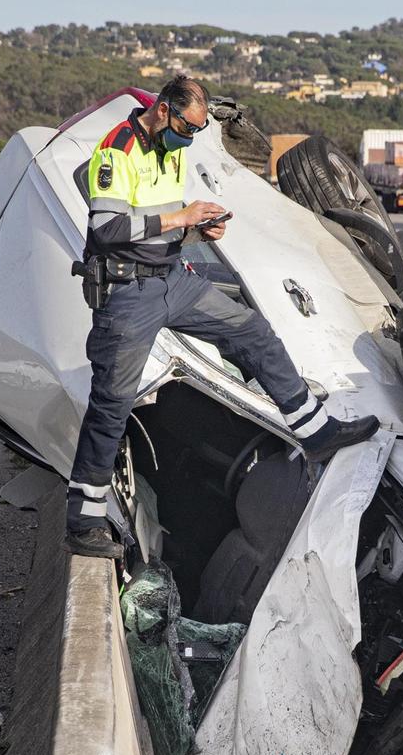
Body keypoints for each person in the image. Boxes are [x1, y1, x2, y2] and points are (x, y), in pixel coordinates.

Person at [65, 76, 380, 559]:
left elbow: (160, 222)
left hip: (171, 278)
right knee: (112, 403)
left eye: (196, 132)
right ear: (164, 109)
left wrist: (197, 233)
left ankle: (314, 430)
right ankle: (82, 520)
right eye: (186, 127)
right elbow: (107, 230)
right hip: (128, 292)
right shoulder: (118, 150)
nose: (190, 138)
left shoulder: (172, 151)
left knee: (250, 331)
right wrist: (182, 218)